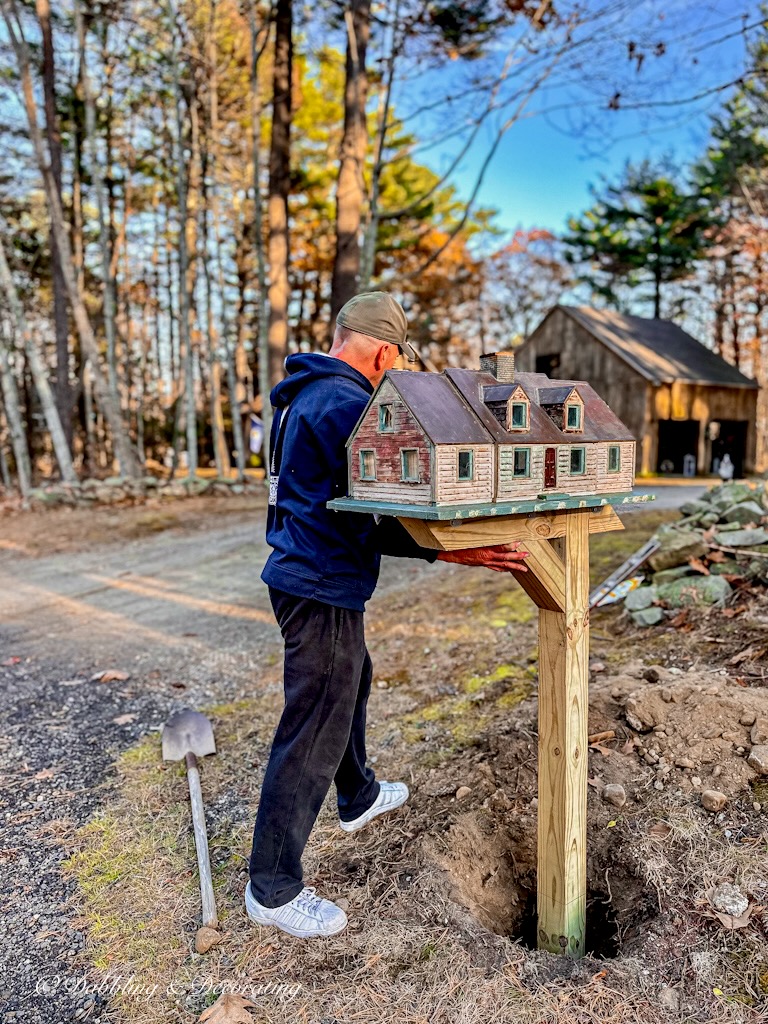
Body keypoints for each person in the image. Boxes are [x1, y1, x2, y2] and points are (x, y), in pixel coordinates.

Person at [245, 291, 529, 938]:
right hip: (320, 582)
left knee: (353, 680)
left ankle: (359, 793)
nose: (392, 373)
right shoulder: (346, 404)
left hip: (301, 574)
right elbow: (375, 510)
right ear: (381, 348)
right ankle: (273, 885)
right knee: (315, 723)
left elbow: (335, 503)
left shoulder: (298, 396)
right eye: (393, 360)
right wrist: (460, 551)